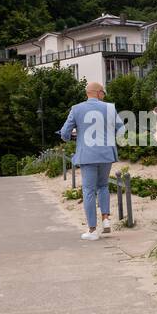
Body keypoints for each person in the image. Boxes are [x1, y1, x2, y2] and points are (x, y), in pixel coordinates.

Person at [60, 81, 125, 241]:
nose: (104, 95)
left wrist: (73, 136)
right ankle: (106, 219)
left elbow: (64, 133)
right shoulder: (110, 108)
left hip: (87, 154)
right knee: (103, 186)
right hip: (106, 153)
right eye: (103, 92)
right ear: (97, 92)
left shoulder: (76, 109)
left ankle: (92, 230)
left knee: (88, 191)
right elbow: (121, 129)